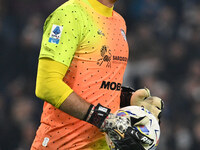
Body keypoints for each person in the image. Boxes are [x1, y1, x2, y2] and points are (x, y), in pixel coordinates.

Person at [31, 0, 163, 149]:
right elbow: (47, 84)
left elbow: (97, 86)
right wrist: (104, 119)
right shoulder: (69, 14)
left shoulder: (119, 22)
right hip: (61, 144)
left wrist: (128, 100)